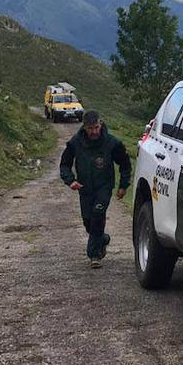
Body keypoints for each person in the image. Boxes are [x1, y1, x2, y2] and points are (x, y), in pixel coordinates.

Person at [59, 111, 132, 268]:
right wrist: (70, 181)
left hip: (104, 187)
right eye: (90, 128)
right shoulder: (75, 142)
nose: (94, 132)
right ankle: (103, 239)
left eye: (96, 127)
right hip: (84, 188)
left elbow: (125, 164)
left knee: (98, 214)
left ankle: (94, 255)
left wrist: (123, 186)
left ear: (101, 124)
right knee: (88, 223)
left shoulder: (112, 143)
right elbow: (65, 164)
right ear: (84, 127)